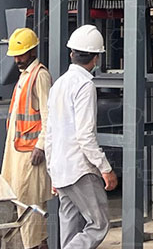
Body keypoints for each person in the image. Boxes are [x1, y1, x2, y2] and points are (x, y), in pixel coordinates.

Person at [44, 25, 117, 249]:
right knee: (99, 224)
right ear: (96, 58)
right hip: (79, 170)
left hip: (60, 169)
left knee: (69, 228)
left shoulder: (58, 84)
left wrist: (52, 171)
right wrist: (105, 168)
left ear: (71, 54)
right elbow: (85, 135)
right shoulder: (85, 86)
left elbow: (49, 132)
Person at [1, 27, 52, 249]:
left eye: (21, 55)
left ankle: (35, 246)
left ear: (32, 51)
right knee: (18, 201)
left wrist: (41, 146)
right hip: (17, 151)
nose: (17, 59)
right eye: (15, 56)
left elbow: (49, 116)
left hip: (30, 154)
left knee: (30, 204)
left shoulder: (40, 76)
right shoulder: (24, 76)